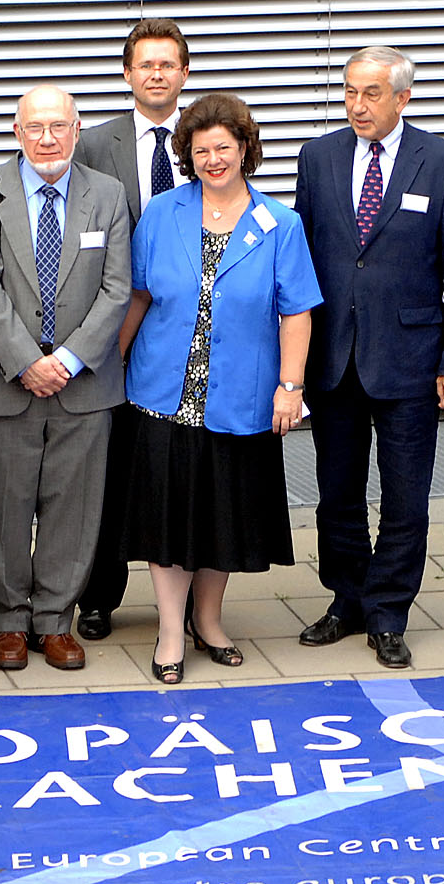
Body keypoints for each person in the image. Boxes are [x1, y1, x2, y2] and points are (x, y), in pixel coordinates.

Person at [120, 96, 322, 683]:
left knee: (221, 515)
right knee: (168, 518)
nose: (213, 159)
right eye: (201, 149)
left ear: (244, 150)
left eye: (223, 148)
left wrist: (291, 386)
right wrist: (114, 363)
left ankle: (207, 620)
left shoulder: (280, 223)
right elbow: (138, 294)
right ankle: (169, 631)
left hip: (241, 394)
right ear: (188, 155)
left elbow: (297, 312)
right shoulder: (162, 212)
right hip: (163, 391)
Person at [292, 45, 444, 670]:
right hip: (334, 356)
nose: (357, 105)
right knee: (337, 492)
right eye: (350, 91)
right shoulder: (318, 157)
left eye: (371, 93)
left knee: (405, 497)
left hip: (411, 360)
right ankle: (348, 600)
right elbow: (301, 261)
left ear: (403, 97)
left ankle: (390, 611)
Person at [0, 87, 133, 673]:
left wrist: (70, 359)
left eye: (59, 126)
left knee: (73, 509)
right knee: (5, 510)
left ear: (77, 130)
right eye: (35, 127)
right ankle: (9, 622)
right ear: (17, 132)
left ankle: (55, 620)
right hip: (9, 382)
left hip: (85, 385)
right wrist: (26, 360)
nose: (47, 138)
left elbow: (117, 288)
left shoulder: (107, 194)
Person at [71, 16, 192, 641]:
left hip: (186, 332)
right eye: (146, 64)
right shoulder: (93, 145)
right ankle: (97, 595)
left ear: (185, 73)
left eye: (167, 64)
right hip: (110, 329)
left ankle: (188, 600)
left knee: (182, 466)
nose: (156, 74)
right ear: (127, 74)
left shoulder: (207, 140)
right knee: (109, 465)